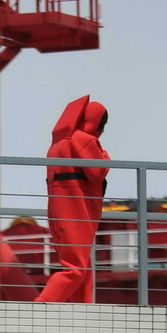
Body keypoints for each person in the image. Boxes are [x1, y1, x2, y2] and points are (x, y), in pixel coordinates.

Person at [35, 96, 110, 304]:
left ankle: (84, 310)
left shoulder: (57, 145)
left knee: (83, 265)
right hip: (76, 211)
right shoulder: (83, 139)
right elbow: (97, 172)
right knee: (76, 269)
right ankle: (40, 306)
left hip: (58, 212)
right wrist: (105, 155)